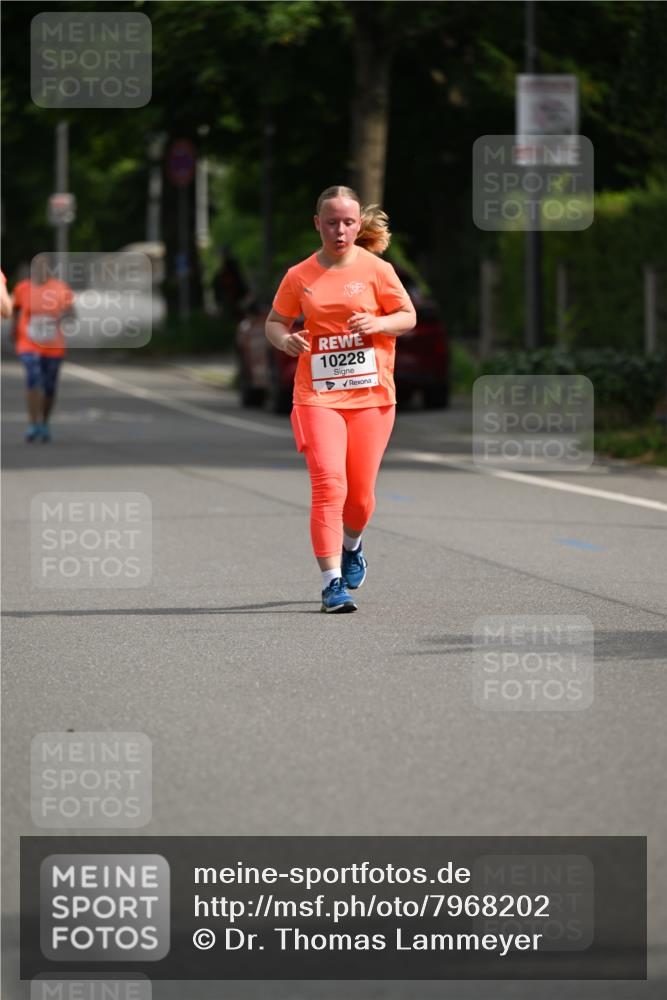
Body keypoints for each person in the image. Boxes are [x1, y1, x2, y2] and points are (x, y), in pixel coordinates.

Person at [265, 185, 416, 613]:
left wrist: (377, 322)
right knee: (329, 483)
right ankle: (332, 583)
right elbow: (275, 321)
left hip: (371, 396)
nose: (340, 230)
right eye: (331, 222)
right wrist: (285, 340)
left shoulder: (378, 270)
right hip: (317, 395)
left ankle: (353, 545)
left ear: (358, 224)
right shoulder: (300, 275)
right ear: (318, 224)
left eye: (349, 222)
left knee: (361, 497)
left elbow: (408, 316)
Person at [11, 254, 74, 443]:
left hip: (53, 346)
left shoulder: (60, 288)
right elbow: (15, 308)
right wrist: (14, 328)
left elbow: (71, 312)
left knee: (49, 387)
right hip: (28, 343)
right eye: (37, 266)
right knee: (33, 377)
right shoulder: (23, 288)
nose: (40, 270)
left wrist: (60, 319)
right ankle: (33, 424)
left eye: (45, 266)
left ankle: (44, 422)